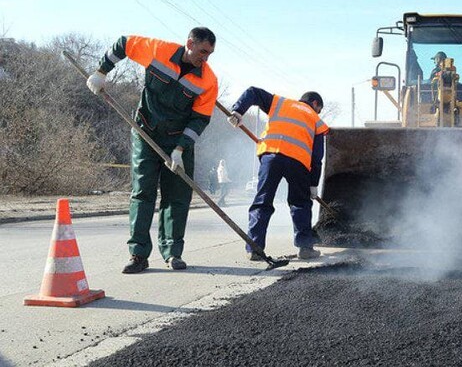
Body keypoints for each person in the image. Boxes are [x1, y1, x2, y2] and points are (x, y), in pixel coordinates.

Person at [86, 27, 218, 273]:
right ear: (189, 43)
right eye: (203, 51)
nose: (205, 58)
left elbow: (200, 119)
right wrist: (101, 71)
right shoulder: (159, 51)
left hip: (178, 142)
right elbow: (123, 43)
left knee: (177, 198)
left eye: (210, 54)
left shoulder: (208, 80)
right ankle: (138, 255)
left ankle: (172, 253)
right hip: (145, 132)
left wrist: (179, 149)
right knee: (142, 193)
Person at [226, 87, 329, 260]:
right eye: (319, 110)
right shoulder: (316, 120)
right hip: (298, 163)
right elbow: (317, 157)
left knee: (262, 202)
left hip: (271, 157)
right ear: (315, 104)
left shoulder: (281, 103)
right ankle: (305, 248)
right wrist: (313, 184)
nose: (318, 112)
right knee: (300, 204)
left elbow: (253, 92)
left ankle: (255, 248)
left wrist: (238, 111)